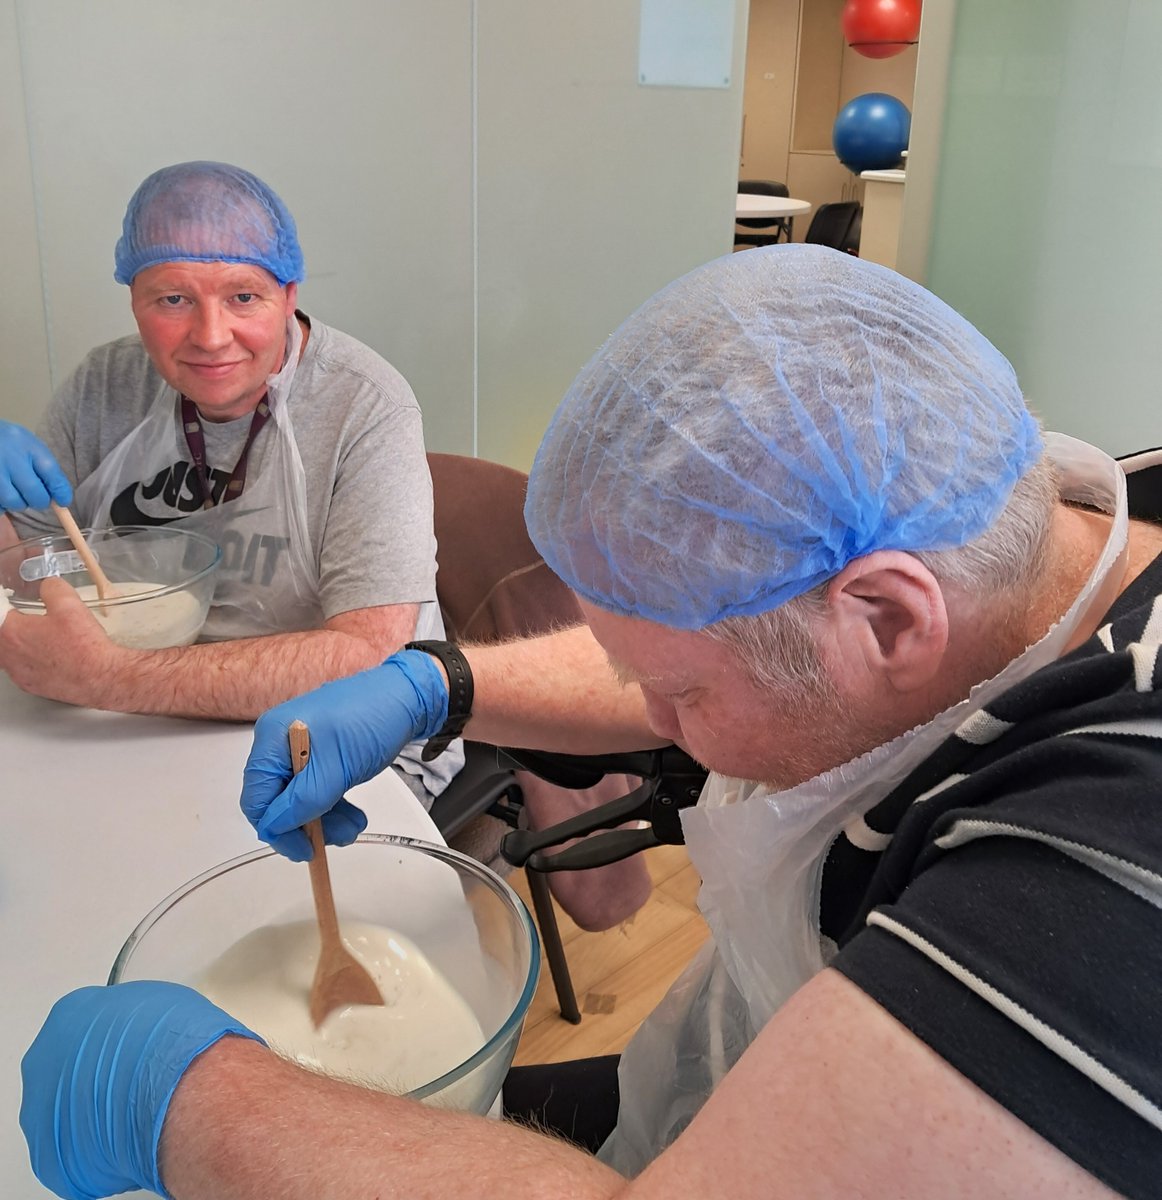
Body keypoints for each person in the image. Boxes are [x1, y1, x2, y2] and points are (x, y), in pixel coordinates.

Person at [21, 245, 1162, 1199]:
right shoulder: (994, 542)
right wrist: (443, 685)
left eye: (679, 696)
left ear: (886, 615)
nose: (647, 716)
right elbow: (750, 650)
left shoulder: (1108, 872)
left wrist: (194, 1108)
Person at [0, 160, 461, 804]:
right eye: (173, 299)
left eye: (243, 297)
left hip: (334, 739)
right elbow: (26, 571)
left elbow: (365, 655)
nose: (212, 338)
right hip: (139, 726)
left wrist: (110, 678)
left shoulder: (365, 406)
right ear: (134, 300)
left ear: (289, 294)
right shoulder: (104, 388)